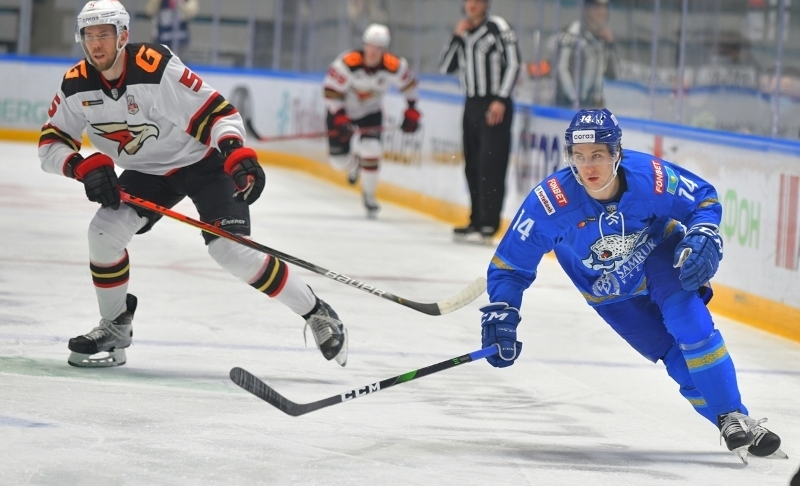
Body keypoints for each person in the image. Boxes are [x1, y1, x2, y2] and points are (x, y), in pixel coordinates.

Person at [38, 0, 347, 368]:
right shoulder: (76, 84)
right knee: (103, 233)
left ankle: (317, 312)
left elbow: (217, 112)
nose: (95, 44)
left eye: (104, 34)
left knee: (231, 251)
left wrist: (235, 153)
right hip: (147, 172)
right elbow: (51, 143)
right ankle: (116, 326)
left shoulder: (154, 67)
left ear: (123, 36)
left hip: (203, 161)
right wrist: (81, 167)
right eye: (88, 36)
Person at [478, 108, 786, 461]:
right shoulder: (549, 203)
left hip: (659, 255)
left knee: (687, 321)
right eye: (579, 156)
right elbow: (510, 267)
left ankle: (731, 414)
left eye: (597, 155)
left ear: (617, 153)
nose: (588, 167)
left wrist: (703, 232)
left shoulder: (650, 178)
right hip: (607, 289)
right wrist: (502, 314)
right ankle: (733, 418)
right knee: (673, 355)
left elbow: (703, 198)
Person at [439, 0, 520, 244]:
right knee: (472, 164)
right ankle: (475, 219)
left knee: (491, 164)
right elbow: (445, 68)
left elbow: (514, 63)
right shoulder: (464, 33)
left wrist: (501, 98)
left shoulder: (497, 27)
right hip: (471, 104)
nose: (472, 5)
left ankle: (488, 223)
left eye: (478, 1)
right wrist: (456, 37)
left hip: (494, 104)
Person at [322, 23, 420, 219]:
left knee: (372, 149)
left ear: (384, 49)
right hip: (341, 113)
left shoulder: (394, 66)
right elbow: (330, 91)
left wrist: (411, 110)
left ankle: (369, 196)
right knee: (338, 162)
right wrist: (340, 117)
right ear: (364, 45)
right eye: (370, 46)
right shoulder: (347, 63)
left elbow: (410, 86)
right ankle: (355, 164)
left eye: (378, 47)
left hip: (371, 113)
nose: (374, 51)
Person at [553, 0, 618, 109]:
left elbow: (614, 74)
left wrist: (610, 44)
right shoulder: (572, 33)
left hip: (594, 108)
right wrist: (573, 100)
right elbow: (560, 69)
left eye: (604, 7)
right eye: (597, 7)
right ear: (585, 9)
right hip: (568, 108)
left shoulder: (604, 38)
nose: (602, 11)